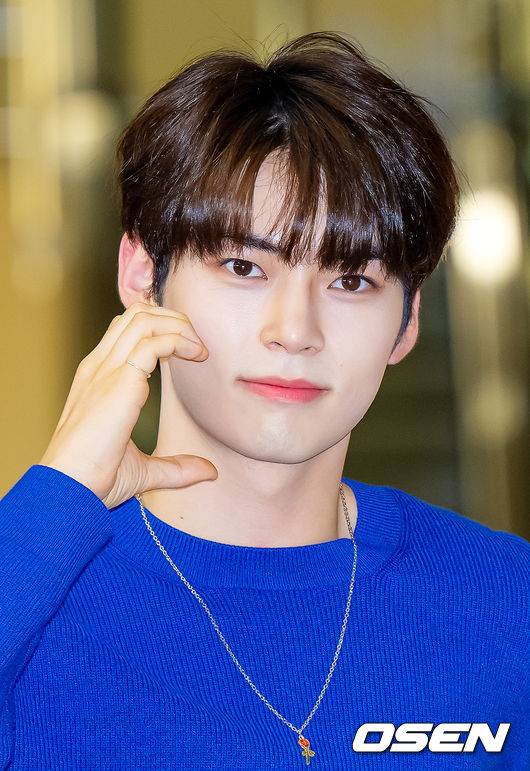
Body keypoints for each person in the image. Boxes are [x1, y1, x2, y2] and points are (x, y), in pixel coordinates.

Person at [1, 31, 528, 770]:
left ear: (407, 321)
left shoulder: (505, 600)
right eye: (245, 266)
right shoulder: (33, 590)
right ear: (143, 274)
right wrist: (56, 498)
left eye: (351, 281)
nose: (295, 331)